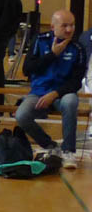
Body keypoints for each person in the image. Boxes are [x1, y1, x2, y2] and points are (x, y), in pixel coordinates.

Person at [16, 10, 87, 168]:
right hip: (39, 92)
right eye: (64, 26)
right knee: (21, 115)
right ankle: (50, 146)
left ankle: (68, 151)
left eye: (72, 25)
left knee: (70, 102)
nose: (69, 29)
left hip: (63, 94)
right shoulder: (40, 41)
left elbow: (76, 82)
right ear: (53, 26)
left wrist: (55, 94)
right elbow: (27, 69)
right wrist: (52, 55)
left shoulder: (78, 47)